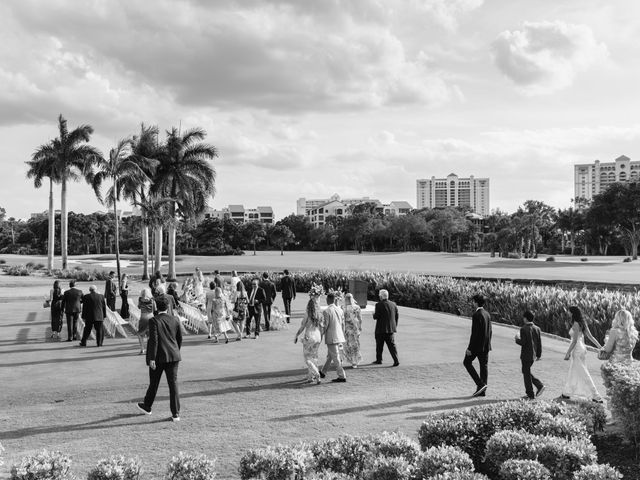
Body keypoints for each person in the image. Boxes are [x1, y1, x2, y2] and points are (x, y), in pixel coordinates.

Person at [137, 295, 183, 422]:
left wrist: (151, 358)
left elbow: (154, 340)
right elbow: (179, 339)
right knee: (173, 384)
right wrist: (175, 351)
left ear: (156, 306)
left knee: (154, 383)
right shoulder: (175, 319)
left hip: (158, 357)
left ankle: (147, 406)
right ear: (168, 306)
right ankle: (176, 413)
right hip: (173, 355)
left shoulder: (154, 320)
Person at [561, 306, 603, 403]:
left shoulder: (576, 324)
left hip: (577, 350)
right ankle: (566, 393)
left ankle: (596, 396)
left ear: (572, 313)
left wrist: (567, 353)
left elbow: (574, 341)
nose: (567, 313)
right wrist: (600, 347)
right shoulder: (582, 323)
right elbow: (591, 337)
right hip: (582, 349)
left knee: (583, 372)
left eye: (569, 311)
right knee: (573, 370)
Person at [464, 294, 492, 397]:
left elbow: (474, 334)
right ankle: (482, 391)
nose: (472, 303)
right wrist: (488, 344)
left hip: (477, 346)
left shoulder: (476, 315)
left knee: (466, 362)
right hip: (486, 346)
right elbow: (490, 332)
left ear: (476, 302)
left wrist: (469, 348)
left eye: (473, 301)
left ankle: (480, 384)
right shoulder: (487, 314)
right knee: (483, 367)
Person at [515, 310, 544, 400]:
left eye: (524, 317)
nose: (523, 319)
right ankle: (535, 388)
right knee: (526, 371)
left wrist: (517, 339)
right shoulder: (537, 328)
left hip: (526, 354)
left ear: (526, 318)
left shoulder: (523, 329)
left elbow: (523, 342)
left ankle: (533, 391)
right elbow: (539, 343)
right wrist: (539, 354)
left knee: (526, 373)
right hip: (533, 355)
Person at [294, 296, 324, 384]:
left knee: (307, 358)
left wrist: (297, 334)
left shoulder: (307, 313)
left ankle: (316, 373)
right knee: (314, 357)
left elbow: (302, 326)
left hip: (309, 336)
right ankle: (310, 377)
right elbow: (322, 327)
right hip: (317, 336)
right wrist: (321, 337)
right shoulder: (319, 313)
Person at [319, 292, 347, 383]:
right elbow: (343, 324)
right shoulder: (340, 310)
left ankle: (342, 376)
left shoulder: (326, 311)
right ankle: (323, 372)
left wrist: (320, 334)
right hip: (339, 336)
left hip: (332, 336)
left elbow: (325, 325)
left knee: (335, 357)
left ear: (328, 300)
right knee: (331, 356)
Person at [372, 289, 399, 367]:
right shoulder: (393, 304)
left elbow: (376, 316)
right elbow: (396, 317)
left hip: (380, 329)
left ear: (381, 296)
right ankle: (396, 360)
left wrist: (373, 314)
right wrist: (394, 326)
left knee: (379, 345)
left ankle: (379, 360)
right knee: (392, 346)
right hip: (390, 329)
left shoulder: (378, 305)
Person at [342, 293, 363, 368]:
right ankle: (354, 360)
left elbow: (342, 319)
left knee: (350, 344)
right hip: (354, 328)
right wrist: (360, 327)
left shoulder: (344, 307)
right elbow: (360, 319)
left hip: (348, 328)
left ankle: (353, 360)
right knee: (355, 344)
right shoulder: (356, 307)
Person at [137, 288, 156, 355]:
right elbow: (154, 309)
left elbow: (139, 307)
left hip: (143, 317)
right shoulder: (152, 300)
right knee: (149, 334)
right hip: (151, 317)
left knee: (140, 334)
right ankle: (149, 349)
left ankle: (142, 349)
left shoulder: (140, 299)